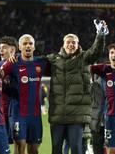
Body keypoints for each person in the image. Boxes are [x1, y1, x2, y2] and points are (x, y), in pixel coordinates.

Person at [46, 20, 108, 154]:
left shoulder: (84, 58)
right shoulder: (53, 59)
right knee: (56, 149)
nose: (71, 44)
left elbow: (95, 51)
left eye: (73, 42)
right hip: (58, 115)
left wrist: (100, 35)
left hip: (77, 115)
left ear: (77, 44)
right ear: (63, 44)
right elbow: (34, 64)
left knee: (76, 148)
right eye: (68, 42)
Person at [1, 34, 49, 154]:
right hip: (18, 113)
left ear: (34, 47)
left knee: (34, 149)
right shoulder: (12, 63)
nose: (28, 46)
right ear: (19, 47)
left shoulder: (41, 63)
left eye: (30, 44)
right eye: (25, 44)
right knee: (19, 146)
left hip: (35, 114)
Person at [0, 36, 18, 154]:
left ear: (12, 50)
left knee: (18, 143)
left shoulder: (20, 64)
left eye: (4, 48)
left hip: (15, 111)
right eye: (0, 48)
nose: (1, 50)